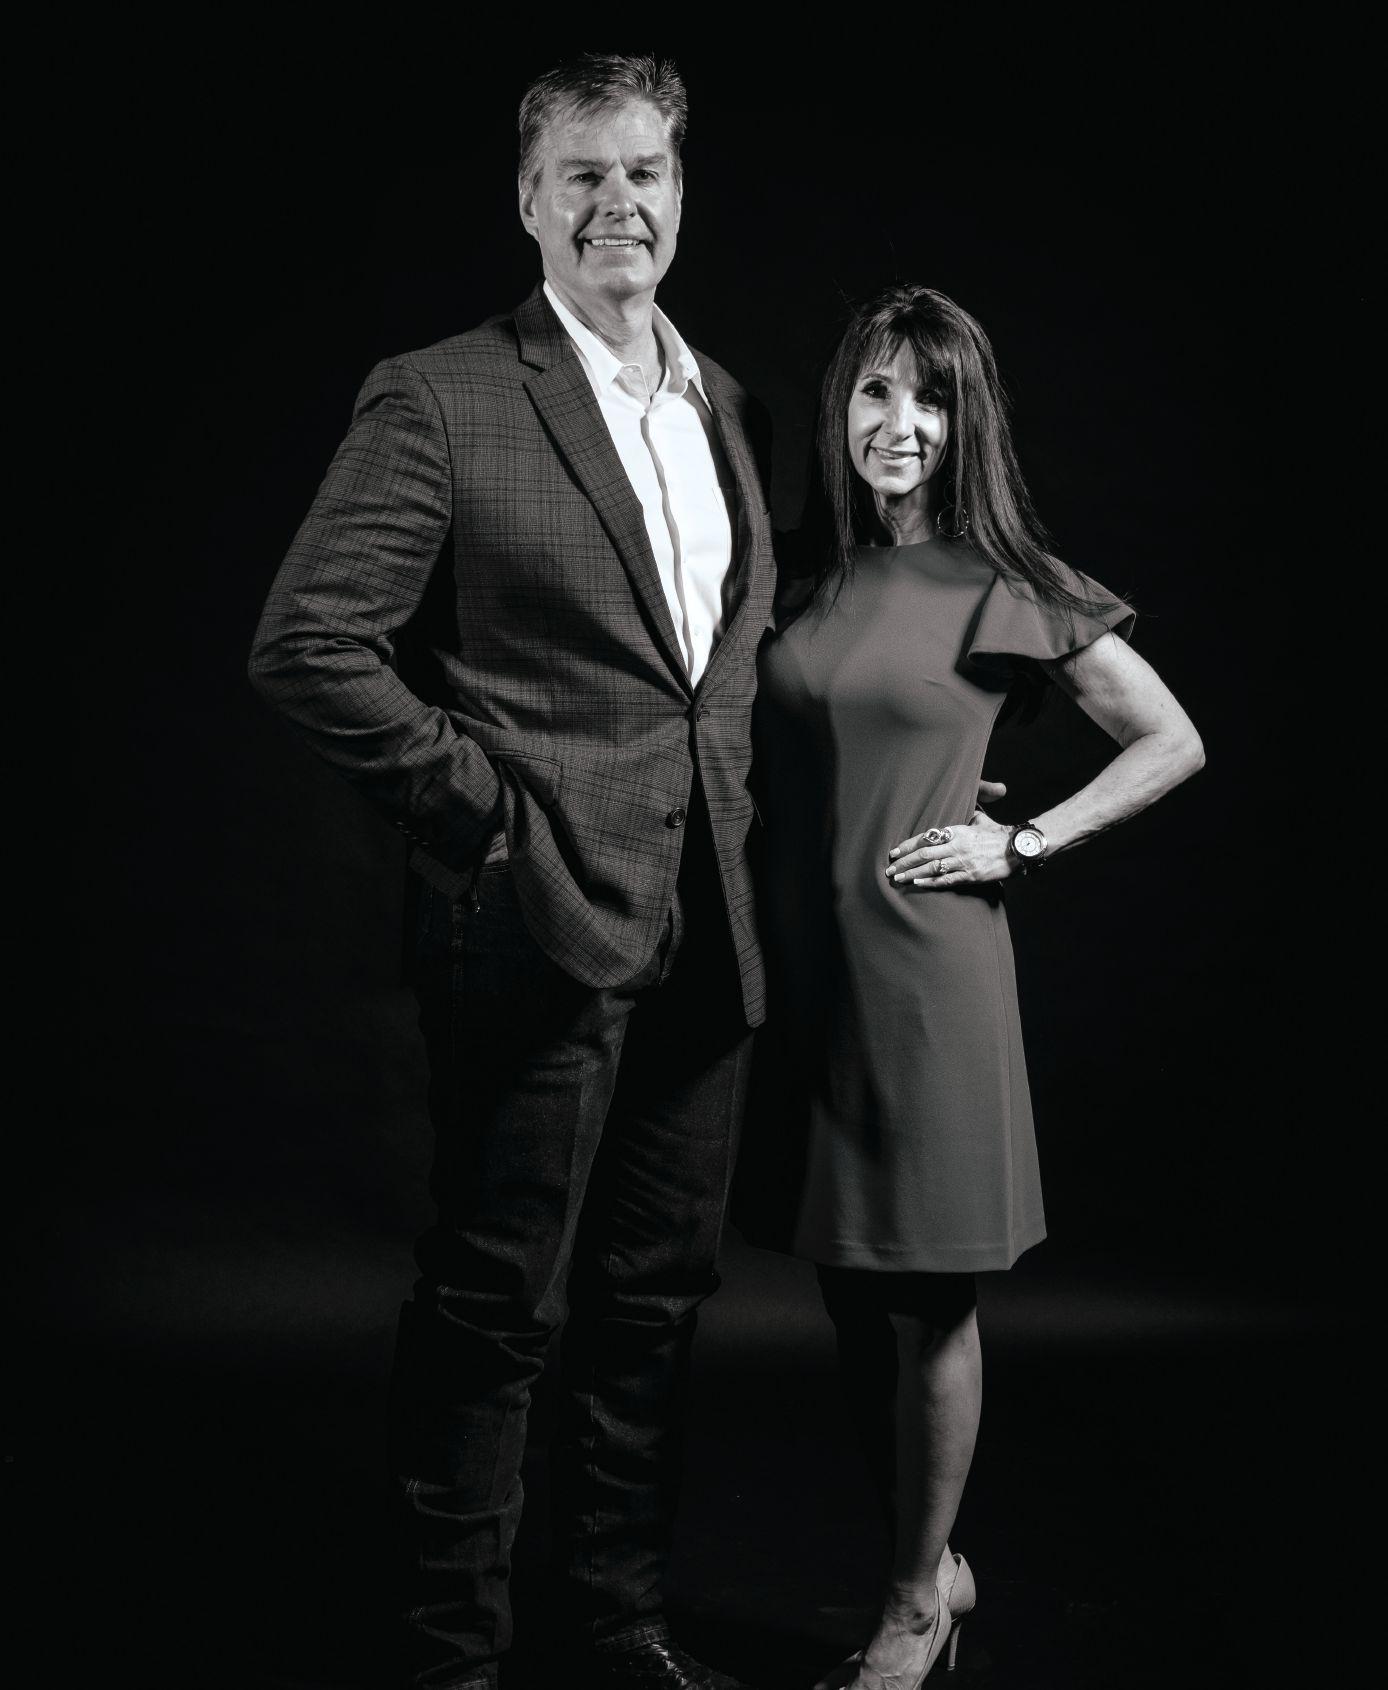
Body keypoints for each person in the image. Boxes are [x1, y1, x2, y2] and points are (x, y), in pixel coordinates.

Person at [249, 54, 777, 1690]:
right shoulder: (445, 393)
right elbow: (309, 642)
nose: (621, 203)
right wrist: (483, 813)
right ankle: (451, 1655)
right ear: (531, 201)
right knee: (497, 1306)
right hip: (535, 916)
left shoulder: (726, 403)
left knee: (657, 1298)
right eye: (584, 176)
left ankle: (610, 1623)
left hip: (708, 927)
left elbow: (718, 674)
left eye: (647, 172)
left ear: (681, 193)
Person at [748, 285, 1205, 1688]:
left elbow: (1171, 737)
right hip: (807, 978)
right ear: (841, 405)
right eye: (876, 390)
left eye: (931, 398)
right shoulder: (804, 575)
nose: (901, 424)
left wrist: (1025, 839)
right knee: (845, 1288)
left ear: (968, 423)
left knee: (930, 1299)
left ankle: (907, 1605)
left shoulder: (1003, 578)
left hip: (929, 979)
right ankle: (930, 1558)